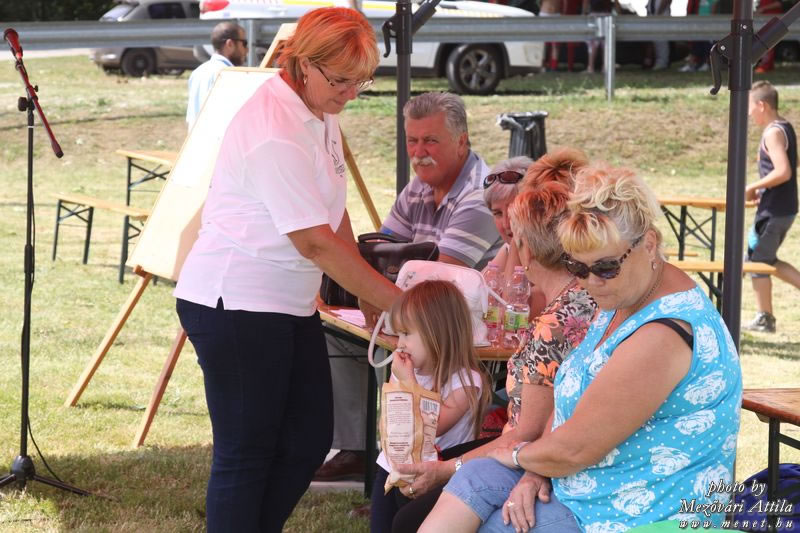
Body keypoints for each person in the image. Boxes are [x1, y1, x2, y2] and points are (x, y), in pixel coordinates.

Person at [173, 8, 402, 532]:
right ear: (304, 64)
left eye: (360, 81)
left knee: (306, 439)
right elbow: (314, 241)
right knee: (247, 452)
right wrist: (400, 303)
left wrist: (369, 293)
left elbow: (333, 211)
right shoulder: (275, 127)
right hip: (236, 302)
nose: (350, 93)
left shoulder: (318, 107)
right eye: (341, 80)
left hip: (285, 303)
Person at [421, 165, 742, 532]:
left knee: (494, 524)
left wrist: (522, 457)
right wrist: (535, 472)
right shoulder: (623, 297)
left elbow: (577, 448)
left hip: (633, 513)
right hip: (584, 485)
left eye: (605, 267)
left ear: (649, 244)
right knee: (475, 477)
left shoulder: (664, 334)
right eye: (577, 266)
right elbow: (570, 409)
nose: (590, 282)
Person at [387, 179, 597, 533]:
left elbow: (527, 433)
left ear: (526, 248)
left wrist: (446, 470)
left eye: (514, 239)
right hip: (534, 448)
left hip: (530, 454)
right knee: (408, 496)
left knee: (409, 516)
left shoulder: (554, 325)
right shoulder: (581, 299)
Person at [315, 91, 502, 483]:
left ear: (462, 141)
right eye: (412, 141)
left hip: (452, 330)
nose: (419, 153)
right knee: (337, 333)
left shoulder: (478, 196)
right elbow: (380, 248)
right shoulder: (418, 187)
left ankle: (396, 453)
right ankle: (360, 448)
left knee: (380, 342)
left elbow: (439, 278)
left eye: (430, 140)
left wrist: (380, 286)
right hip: (414, 314)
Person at [370, 280, 491, 532]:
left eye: (407, 334)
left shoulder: (465, 382)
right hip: (392, 467)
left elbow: (431, 428)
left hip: (436, 475)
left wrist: (408, 382)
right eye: (398, 334)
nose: (400, 343)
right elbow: (392, 423)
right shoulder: (405, 371)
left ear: (437, 333)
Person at [743, 81, 799, 333]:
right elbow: (793, 163)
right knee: (762, 259)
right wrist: (765, 188)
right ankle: (763, 316)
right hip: (781, 207)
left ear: (762, 105)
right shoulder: (785, 127)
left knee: (757, 262)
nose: (748, 113)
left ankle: (765, 319)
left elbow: (784, 171)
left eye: (750, 107)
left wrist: (752, 186)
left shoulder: (772, 133)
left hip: (774, 211)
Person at [185, 21, 248, 129]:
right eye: (244, 43)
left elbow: (191, 118)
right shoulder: (229, 74)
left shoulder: (198, 72)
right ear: (230, 44)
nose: (247, 50)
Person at [647, 0, 672, 70]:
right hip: (653, 15)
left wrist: (658, 14)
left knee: (661, 39)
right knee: (655, 40)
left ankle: (662, 62)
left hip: (661, 15)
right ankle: (656, 61)